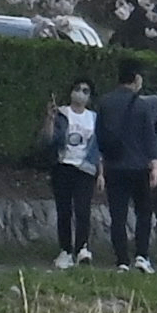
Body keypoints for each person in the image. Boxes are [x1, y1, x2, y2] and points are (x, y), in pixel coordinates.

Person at [95, 67, 157, 270]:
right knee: (144, 212)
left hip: (114, 166)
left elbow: (99, 135)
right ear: (136, 79)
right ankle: (141, 255)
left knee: (118, 215)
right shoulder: (142, 105)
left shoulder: (105, 102)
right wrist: (154, 166)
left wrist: (101, 167)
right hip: (138, 166)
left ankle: (122, 260)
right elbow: (149, 137)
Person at [47, 81, 102, 267]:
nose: (80, 93)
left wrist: (101, 173)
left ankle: (82, 248)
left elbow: (98, 148)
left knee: (83, 209)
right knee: (64, 209)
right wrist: (50, 119)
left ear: (90, 97)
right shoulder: (62, 114)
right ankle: (65, 250)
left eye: (85, 91)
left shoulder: (93, 118)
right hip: (63, 166)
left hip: (85, 168)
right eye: (77, 89)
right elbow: (49, 139)